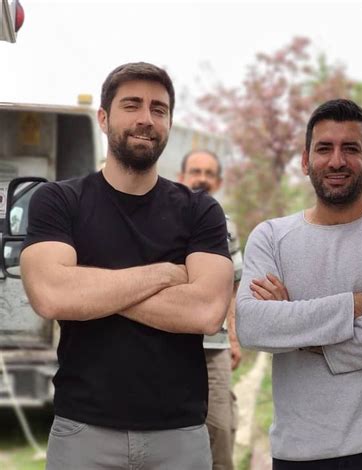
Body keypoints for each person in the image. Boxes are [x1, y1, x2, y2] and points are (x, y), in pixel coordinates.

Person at [20, 62, 234, 470]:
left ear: (169, 122)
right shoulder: (60, 201)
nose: (145, 119)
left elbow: (206, 311)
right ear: (103, 118)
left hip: (180, 437)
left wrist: (87, 289)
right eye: (131, 105)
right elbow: (50, 296)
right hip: (83, 432)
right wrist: (167, 275)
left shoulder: (199, 211)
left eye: (159, 109)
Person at [236, 99, 362, 470]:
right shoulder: (271, 237)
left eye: (351, 149)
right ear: (305, 160)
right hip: (300, 452)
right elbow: (252, 326)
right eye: (324, 148)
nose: (336, 161)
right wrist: (356, 305)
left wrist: (293, 327)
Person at [179, 149, 242, 470]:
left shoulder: (226, 226)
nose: (201, 178)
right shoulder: (163, 219)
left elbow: (234, 284)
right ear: (181, 177)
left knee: (218, 425)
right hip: (170, 342)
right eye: (195, 171)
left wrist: (233, 338)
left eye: (208, 173)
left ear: (217, 182)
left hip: (214, 345)